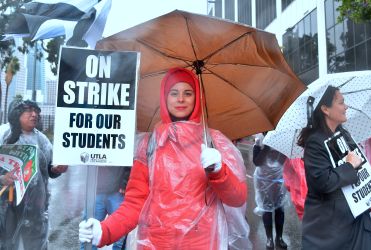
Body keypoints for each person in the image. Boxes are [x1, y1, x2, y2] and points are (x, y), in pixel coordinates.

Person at [78, 67, 248, 249]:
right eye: (174, 93)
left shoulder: (214, 142)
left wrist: (219, 171)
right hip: (156, 243)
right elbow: (135, 203)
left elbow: (237, 198)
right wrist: (105, 231)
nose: (181, 99)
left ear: (197, 98)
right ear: (165, 98)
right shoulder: (149, 144)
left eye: (188, 93)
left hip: (203, 242)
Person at [297, 85, 371, 249]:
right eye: (341, 102)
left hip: (356, 222)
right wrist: (349, 165)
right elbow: (323, 182)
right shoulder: (315, 142)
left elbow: (361, 170)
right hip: (332, 230)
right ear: (325, 109)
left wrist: (369, 199)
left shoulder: (344, 134)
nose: (346, 106)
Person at [0, 97, 68, 250]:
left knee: (36, 244)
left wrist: (57, 169)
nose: (34, 114)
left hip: (35, 207)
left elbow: (50, 169)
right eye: (29, 110)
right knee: (6, 243)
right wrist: (2, 179)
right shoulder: (2, 134)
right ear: (16, 114)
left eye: (36, 111)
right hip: (5, 205)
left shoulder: (42, 139)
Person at [80, 166, 131, 250]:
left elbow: (130, 158)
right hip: (96, 190)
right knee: (88, 234)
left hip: (117, 190)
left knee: (119, 237)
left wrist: (125, 182)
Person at [252, 132, 288, 249]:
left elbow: (285, 159)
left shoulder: (283, 137)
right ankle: (269, 239)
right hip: (263, 180)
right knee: (266, 209)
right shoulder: (260, 139)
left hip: (278, 179)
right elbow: (257, 162)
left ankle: (279, 238)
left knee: (279, 209)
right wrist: (266, 147)